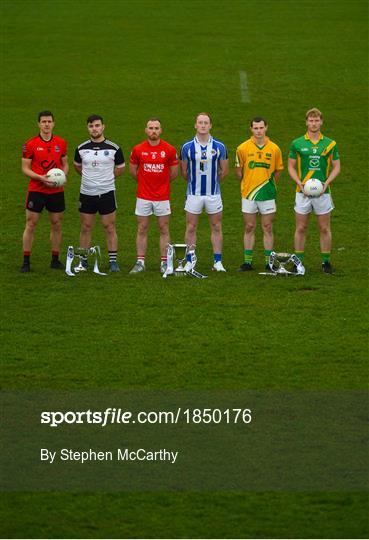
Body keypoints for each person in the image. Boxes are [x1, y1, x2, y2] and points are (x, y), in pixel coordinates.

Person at [288, 108, 340, 273]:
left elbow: (337, 167)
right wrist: (299, 183)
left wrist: (326, 183)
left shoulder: (330, 144)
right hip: (301, 192)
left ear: (321, 122)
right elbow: (290, 166)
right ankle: (298, 264)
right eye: (311, 120)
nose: (314, 123)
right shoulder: (297, 143)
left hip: (323, 193)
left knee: (324, 228)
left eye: (316, 120)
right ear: (306, 122)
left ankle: (326, 262)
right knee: (301, 227)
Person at [74, 114, 125, 272]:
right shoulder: (81, 148)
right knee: (86, 226)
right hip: (86, 193)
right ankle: (83, 261)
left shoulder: (114, 148)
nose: (94, 129)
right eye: (91, 126)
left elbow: (120, 168)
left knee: (109, 226)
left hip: (107, 193)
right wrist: (90, 179)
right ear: (87, 128)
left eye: (97, 125)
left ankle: (113, 262)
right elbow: (77, 167)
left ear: (103, 127)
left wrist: (106, 179)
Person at [20, 110, 69, 272]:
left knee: (56, 224)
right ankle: (26, 261)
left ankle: (55, 259)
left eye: (49, 121)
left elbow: (65, 164)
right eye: (43, 122)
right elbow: (25, 168)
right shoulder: (30, 144)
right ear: (39, 124)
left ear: (53, 123)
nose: (47, 124)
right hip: (37, 190)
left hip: (56, 191)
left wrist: (62, 176)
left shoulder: (61, 143)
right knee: (31, 224)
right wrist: (41, 178)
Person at [180, 112, 229, 272]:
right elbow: (184, 172)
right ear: (195, 125)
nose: (202, 125)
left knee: (216, 226)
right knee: (191, 227)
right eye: (200, 122)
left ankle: (217, 261)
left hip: (213, 194)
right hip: (194, 194)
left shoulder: (219, 147)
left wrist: (212, 183)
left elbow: (224, 171)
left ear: (210, 125)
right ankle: (189, 261)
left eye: (205, 122)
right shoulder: (187, 147)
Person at [129, 118, 178, 274]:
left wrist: (161, 183)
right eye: (151, 128)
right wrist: (145, 182)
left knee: (164, 228)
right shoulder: (138, 149)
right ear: (146, 130)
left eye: (156, 128)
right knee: (142, 228)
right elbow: (133, 171)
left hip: (162, 197)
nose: (153, 131)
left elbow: (174, 173)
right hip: (143, 196)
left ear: (161, 130)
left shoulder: (169, 150)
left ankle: (164, 263)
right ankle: (140, 262)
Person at [235, 116, 284, 271]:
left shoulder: (274, 149)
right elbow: (238, 172)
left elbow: (277, 172)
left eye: (261, 128)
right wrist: (248, 183)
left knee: (267, 227)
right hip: (249, 194)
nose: (258, 131)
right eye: (255, 128)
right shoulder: (242, 148)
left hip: (267, 194)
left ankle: (268, 262)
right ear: (251, 129)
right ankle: (247, 262)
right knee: (249, 226)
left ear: (266, 128)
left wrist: (267, 185)